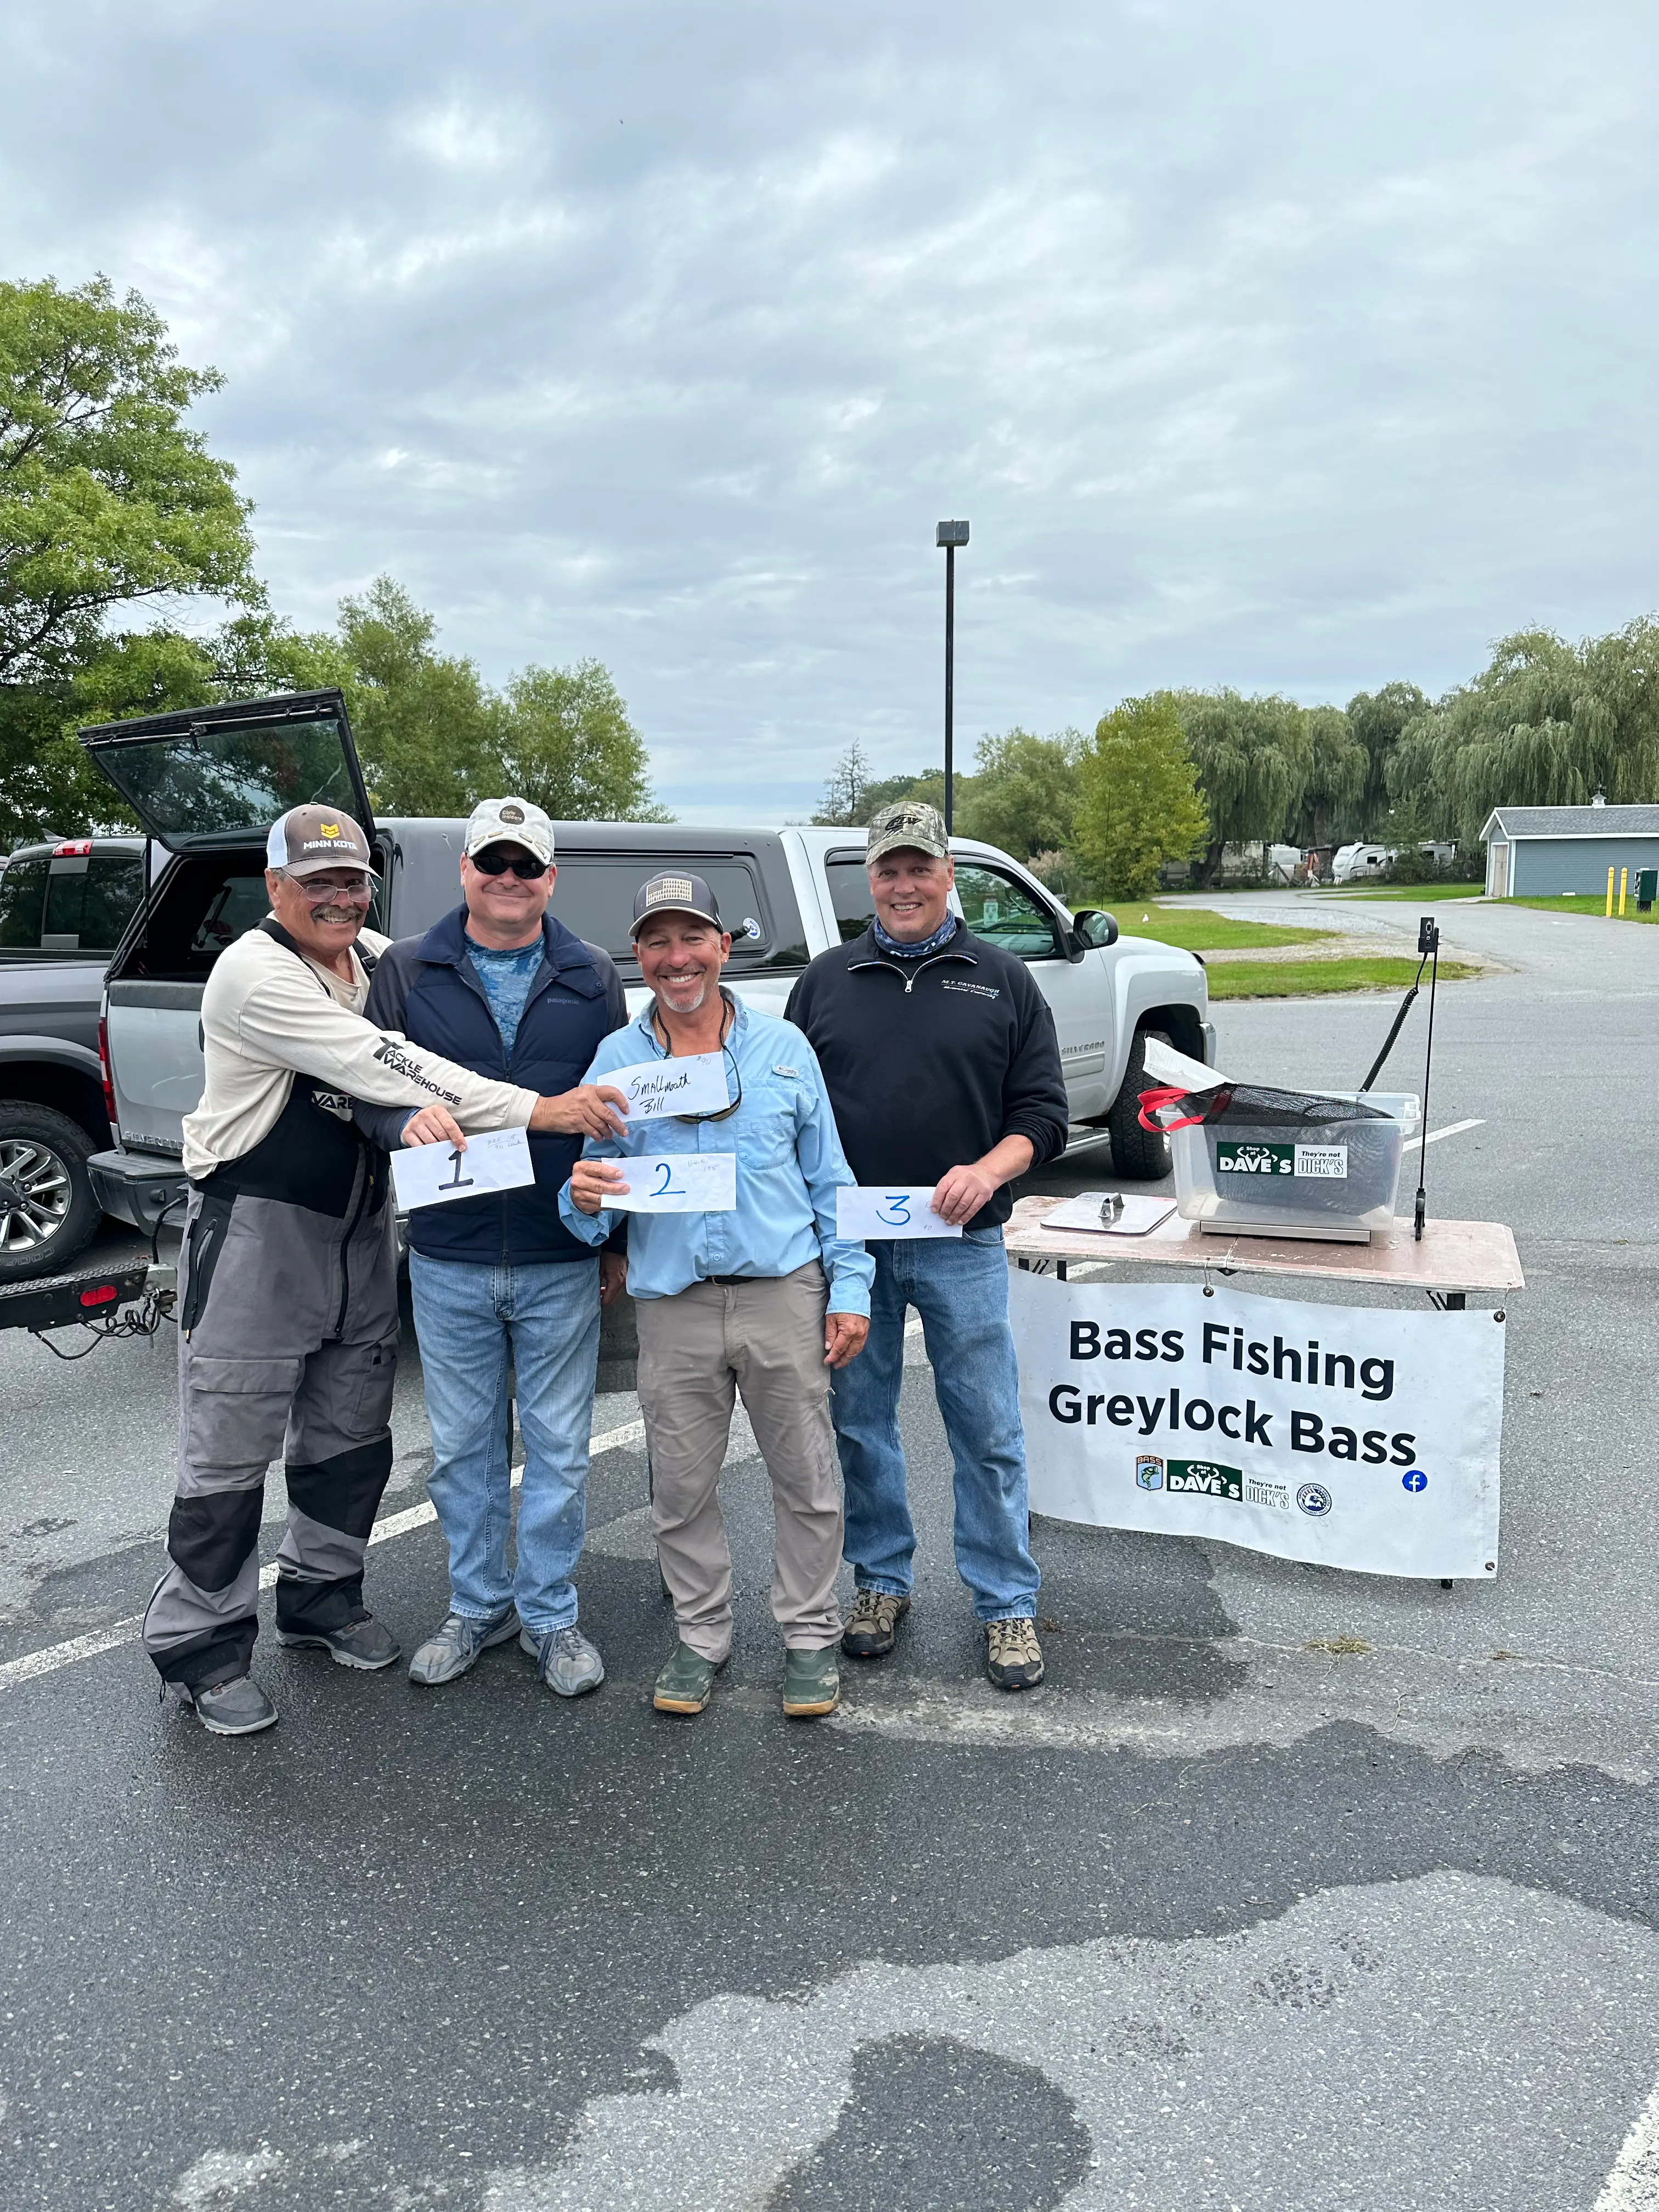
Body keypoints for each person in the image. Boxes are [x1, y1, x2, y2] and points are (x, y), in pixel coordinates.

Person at [144, 804, 591, 1739]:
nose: (340, 898)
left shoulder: (373, 960)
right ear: (276, 889)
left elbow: (437, 973)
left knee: (349, 1437)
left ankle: (321, 1600)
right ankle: (200, 1647)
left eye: (352, 882)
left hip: (363, 1231)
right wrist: (543, 1112)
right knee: (229, 1452)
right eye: (318, 884)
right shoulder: (257, 973)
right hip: (260, 1234)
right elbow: (383, 1060)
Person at [560, 872, 873, 1720]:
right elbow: (585, 1197)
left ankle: (809, 1637)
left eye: (692, 937)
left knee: (806, 1477)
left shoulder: (783, 1051)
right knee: (682, 1489)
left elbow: (830, 1181)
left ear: (722, 948)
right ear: (640, 956)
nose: (677, 958)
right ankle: (702, 1637)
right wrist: (585, 1202)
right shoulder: (617, 1065)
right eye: (658, 941)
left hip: (783, 1293)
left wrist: (852, 1290)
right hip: (675, 1305)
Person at [785, 799, 1070, 1691]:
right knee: (861, 1425)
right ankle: (881, 1584)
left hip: (963, 1241)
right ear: (869, 880)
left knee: (985, 1428)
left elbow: (1043, 1116)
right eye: (888, 871)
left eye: (920, 868)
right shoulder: (825, 982)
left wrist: (990, 1171)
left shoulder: (1004, 979)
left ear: (950, 877)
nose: (904, 885)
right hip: (856, 1248)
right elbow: (792, 1116)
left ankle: (1007, 1604)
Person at [353, 798, 629, 1700]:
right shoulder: (405, 968)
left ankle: (550, 1613)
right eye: (493, 864)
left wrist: (613, 1238)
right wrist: (402, 1121)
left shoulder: (589, 973)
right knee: (464, 1449)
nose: (509, 880)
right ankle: (478, 1606)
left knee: (558, 1448)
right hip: (449, 1252)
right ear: (466, 870)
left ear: (551, 879)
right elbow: (362, 1087)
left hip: (559, 1252)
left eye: (527, 867)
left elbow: (618, 1117)